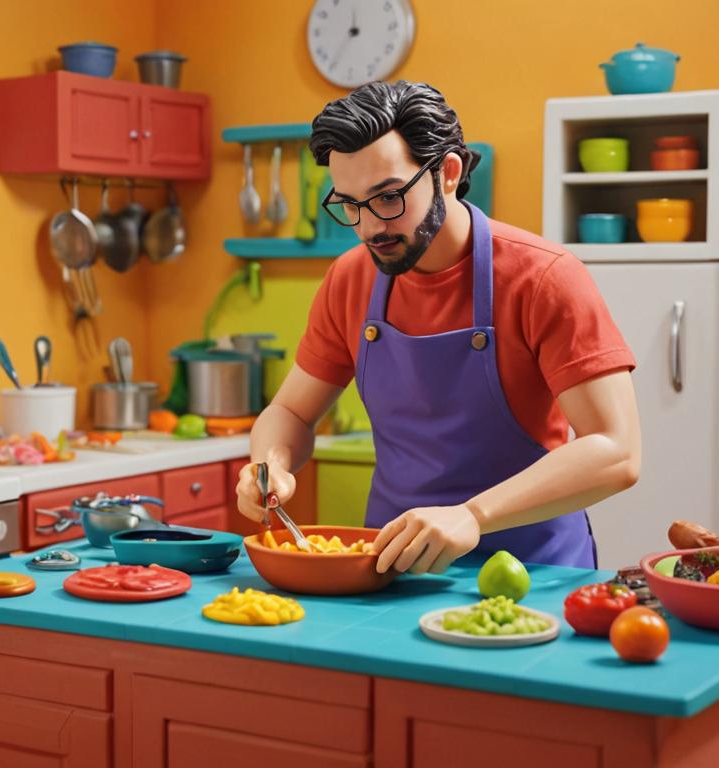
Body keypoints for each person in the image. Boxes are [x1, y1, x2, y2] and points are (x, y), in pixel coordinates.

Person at [235, 81, 641, 574]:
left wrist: (473, 515)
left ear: (447, 173)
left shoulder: (544, 278)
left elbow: (616, 450)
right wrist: (270, 464)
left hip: (535, 574)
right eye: (349, 204)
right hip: (392, 569)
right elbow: (292, 411)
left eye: (387, 197)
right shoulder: (350, 278)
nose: (368, 227)